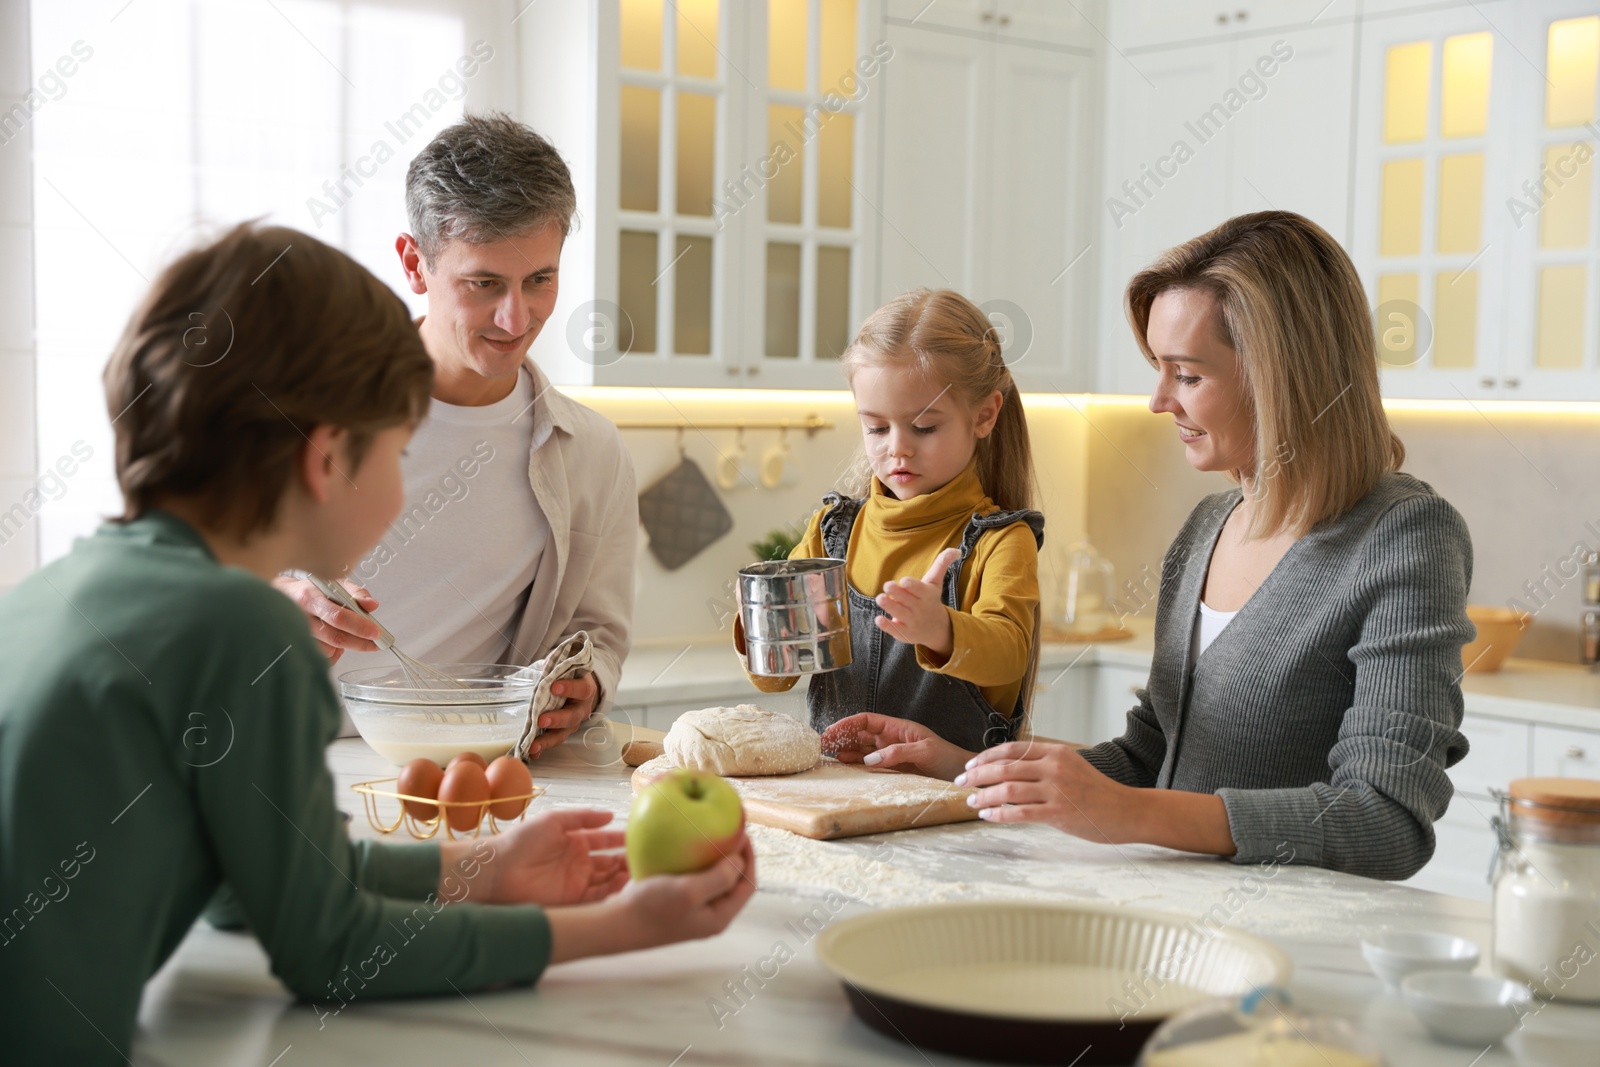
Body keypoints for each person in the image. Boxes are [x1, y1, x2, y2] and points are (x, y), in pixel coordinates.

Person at [0, 223, 755, 1065]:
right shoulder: (239, 630)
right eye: (397, 451)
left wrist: (486, 868)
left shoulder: (54, 593)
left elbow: (241, 890)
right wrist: (618, 928)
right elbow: (331, 948)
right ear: (327, 460)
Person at [823, 211, 1474, 882]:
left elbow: (1385, 818)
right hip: (1176, 920)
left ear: (1285, 375)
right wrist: (960, 762)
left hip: (1299, 946)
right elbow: (1148, 756)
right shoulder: (1207, 528)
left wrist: (1131, 814)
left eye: (1187, 375)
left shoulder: (1404, 537)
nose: (1159, 400)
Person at [276, 113, 636, 757]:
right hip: (301, 758)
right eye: (484, 284)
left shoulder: (594, 453)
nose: (515, 317)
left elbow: (598, 632)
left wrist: (589, 684)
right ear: (416, 264)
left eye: (540, 280)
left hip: (479, 768)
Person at [738, 289, 1044, 753]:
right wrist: (759, 626)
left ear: (984, 415)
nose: (896, 448)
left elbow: (1007, 655)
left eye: (924, 427)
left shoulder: (999, 541)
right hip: (837, 793)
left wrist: (940, 628)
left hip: (949, 804)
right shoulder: (831, 531)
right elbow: (775, 681)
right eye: (877, 428)